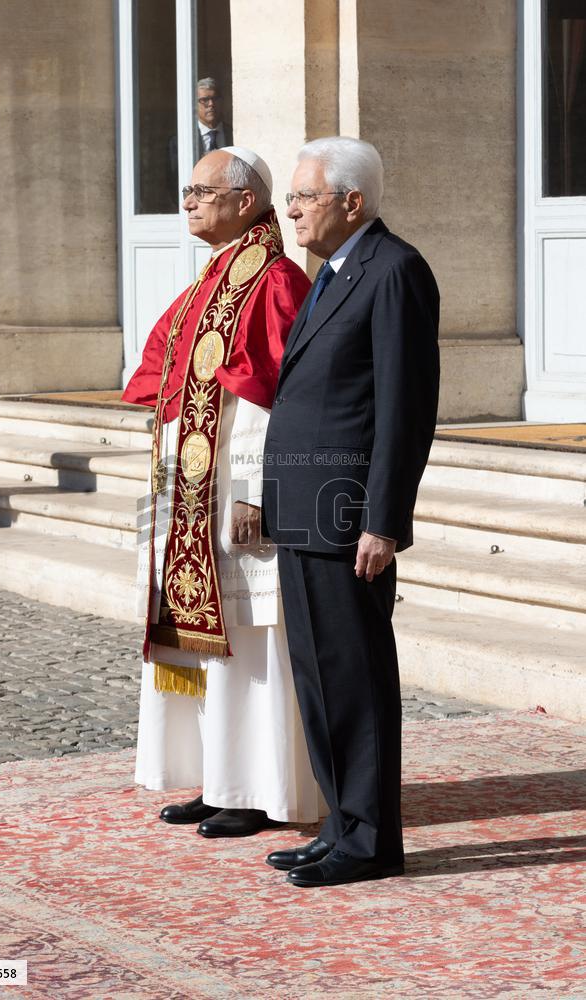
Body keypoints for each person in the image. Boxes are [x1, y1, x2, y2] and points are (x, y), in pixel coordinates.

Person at [122, 146, 321, 837]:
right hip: (190, 495)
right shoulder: (212, 277)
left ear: (245, 201)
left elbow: (275, 401)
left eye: (201, 191)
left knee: (250, 639)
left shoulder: (272, 281)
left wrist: (259, 494)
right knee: (209, 640)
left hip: (238, 492)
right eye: (186, 191)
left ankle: (257, 789)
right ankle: (221, 779)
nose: (187, 202)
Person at [262, 136, 440, 886]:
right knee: (318, 677)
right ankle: (341, 823)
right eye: (293, 196)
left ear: (352, 203)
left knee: (357, 679)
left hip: (347, 516)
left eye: (305, 196)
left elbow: (404, 408)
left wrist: (383, 519)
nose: (292, 209)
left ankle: (372, 844)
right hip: (303, 509)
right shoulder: (330, 272)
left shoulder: (394, 271)